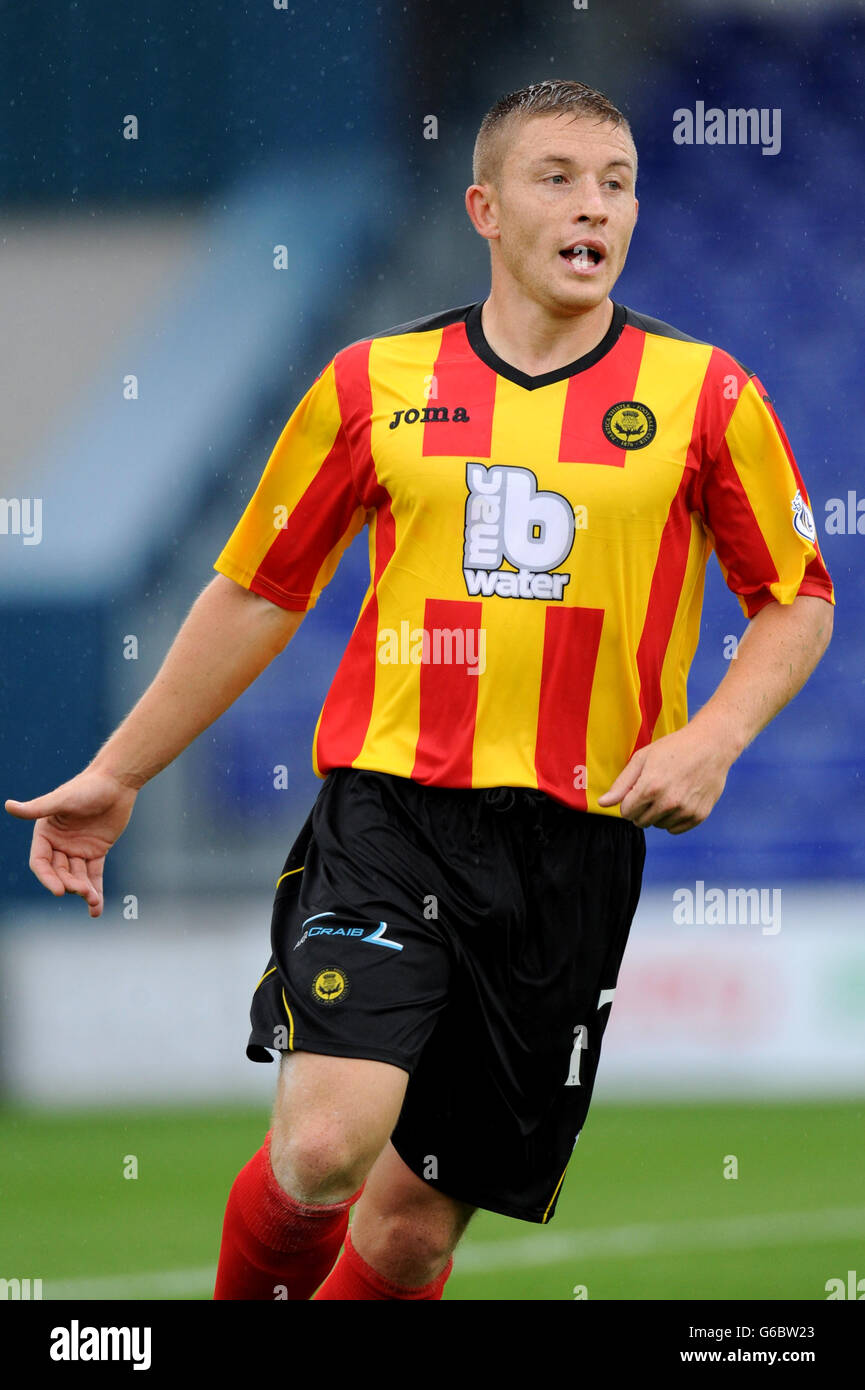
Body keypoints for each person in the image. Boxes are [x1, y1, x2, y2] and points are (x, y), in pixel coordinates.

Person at [5, 80, 834, 1302]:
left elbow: (797, 596)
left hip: (571, 848)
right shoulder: (373, 383)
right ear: (484, 207)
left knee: (406, 1238)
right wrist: (119, 770)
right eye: (557, 177)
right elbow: (258, 591)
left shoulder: (705, 396)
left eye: (615, 181)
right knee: (325, 1146)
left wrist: (714, 737)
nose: (592, 204)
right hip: (394, 817)